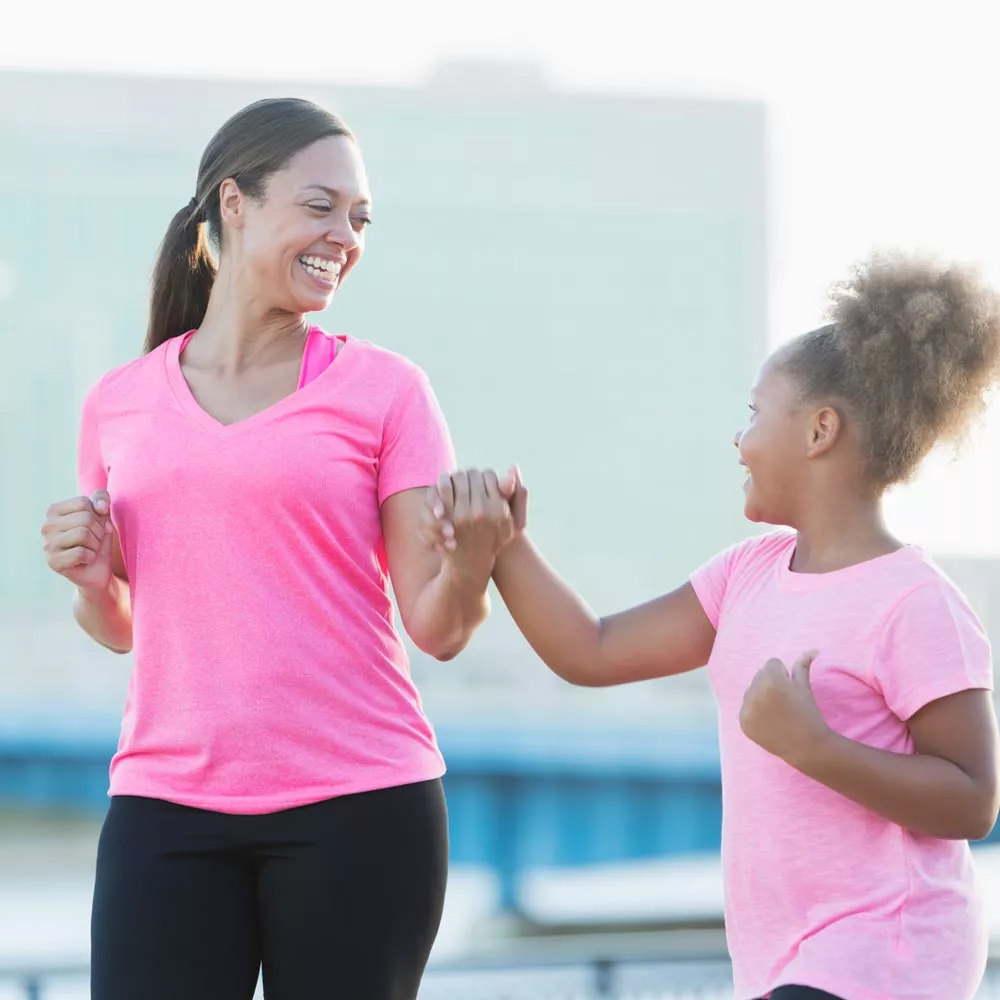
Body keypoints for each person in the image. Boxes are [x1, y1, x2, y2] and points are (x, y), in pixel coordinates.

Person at [427, 253, 1000, 1000]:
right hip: (783, 963)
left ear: (821, 430)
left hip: (885, 949)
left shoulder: (914, 601)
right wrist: (502, 543)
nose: (740, 438)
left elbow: (972, 798)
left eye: (757, 412)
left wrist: (815, 748)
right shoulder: (745, 576)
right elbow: (590, 650)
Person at [39, 98, 507, 1000]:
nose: (345, 235)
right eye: (320, 205)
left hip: (361, 806)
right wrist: (95, 582)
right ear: (235, 200)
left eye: (360, 219)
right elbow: (122, 627)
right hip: (164, 805)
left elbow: (438, 629)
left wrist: (476, 561)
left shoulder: (388, 392)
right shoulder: (119, 400)